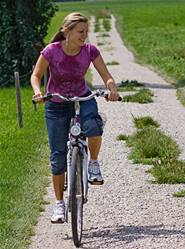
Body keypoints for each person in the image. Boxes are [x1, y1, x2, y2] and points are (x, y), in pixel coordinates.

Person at [30, 12, 120, 223]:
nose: (84, 36)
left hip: (82, 97)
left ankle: (93, 164)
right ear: (66, 31)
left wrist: (111, 88)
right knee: (58, 156)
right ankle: (59, 205)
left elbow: (106, 75)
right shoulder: (51, 51)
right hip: (56, 102)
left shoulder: (90, 51)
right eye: (80, 32)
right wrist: (37, 92)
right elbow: (36, 75)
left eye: (86, 32)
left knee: (93, 126)